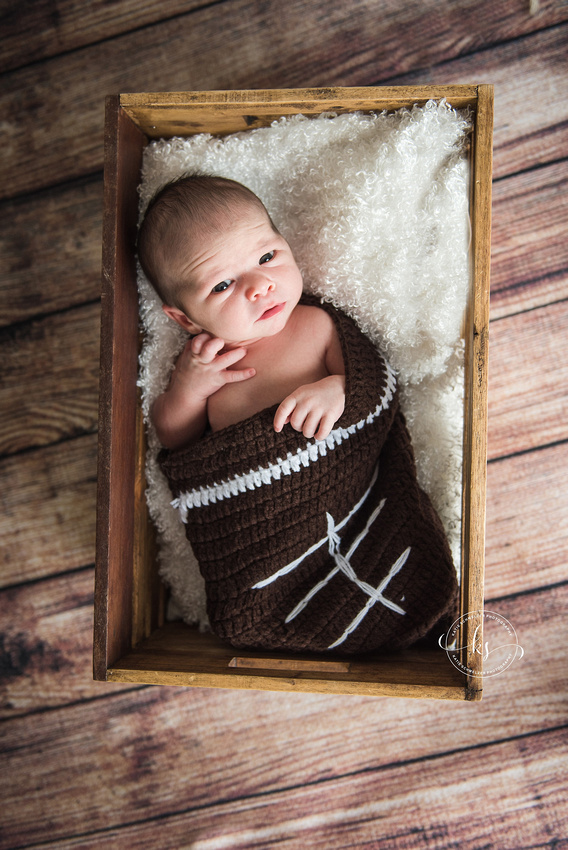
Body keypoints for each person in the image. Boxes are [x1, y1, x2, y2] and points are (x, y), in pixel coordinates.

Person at [137, 174, 346, 449]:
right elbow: (172, 438)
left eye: (267, 257)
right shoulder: (203, 365)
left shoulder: (318, 325)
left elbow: (366, 381)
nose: (260, 286)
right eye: (222, 285)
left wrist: (339, 390)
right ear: (185, 319)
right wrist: (189, 391)